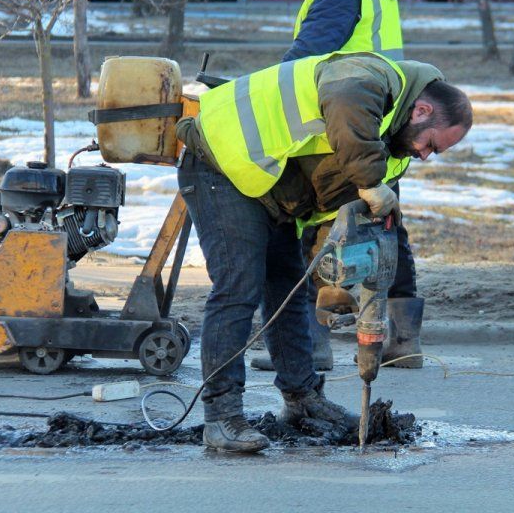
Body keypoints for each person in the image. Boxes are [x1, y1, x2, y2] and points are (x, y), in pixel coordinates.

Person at [176, 51, 472, 452]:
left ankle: (302, 399)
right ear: (421, 110)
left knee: (288, 288)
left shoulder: (390, 152)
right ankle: (221, 417)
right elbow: (346, 103)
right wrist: (370, 182)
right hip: (219, 162)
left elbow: (335, 216)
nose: (424, 155)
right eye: (431, 144)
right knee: (238, 286)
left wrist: (334, 279)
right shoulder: (367, 76)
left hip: (269, 186)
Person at [252, 0, 424, 373]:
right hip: (380, 119)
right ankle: (403, 342)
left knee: (313, 228)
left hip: (341, 124)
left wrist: (269, 91)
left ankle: (312, 347)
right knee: (385, 224)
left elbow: (309, 53)